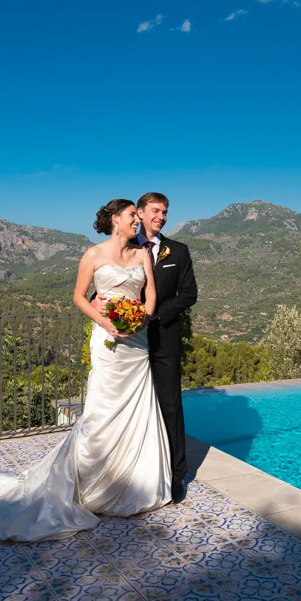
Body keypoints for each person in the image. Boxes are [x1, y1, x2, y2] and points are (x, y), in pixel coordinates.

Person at [0, 199, 171, 541]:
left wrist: (139, 318)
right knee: (101, 412)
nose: (137, 220)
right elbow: (79, 297)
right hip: (109, 341)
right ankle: (91, 484)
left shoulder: (143, 254)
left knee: (138, 410)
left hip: (137, 342)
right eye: (132, 216)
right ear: (116, 220)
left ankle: (134, 487)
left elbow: (150, 294)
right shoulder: (93, 255)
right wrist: (107, 323)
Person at [94, 192, 198, 503]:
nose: (161, 217)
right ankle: (128, 471)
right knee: (129, 406)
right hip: (126, 343)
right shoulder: (124, 246)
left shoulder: (177, 251)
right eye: (155, 211)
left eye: (165, 212)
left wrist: (151, 317)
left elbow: (189, 294)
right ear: (139, 213)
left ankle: (175, 475)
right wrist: (103, 308)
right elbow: (99, 288)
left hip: (163, 338)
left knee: (169, 406)